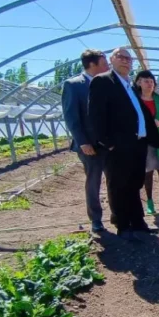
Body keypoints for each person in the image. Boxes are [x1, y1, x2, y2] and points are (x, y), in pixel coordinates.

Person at [88, 48, 159, 241]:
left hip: (137, 144)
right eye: (120, 57)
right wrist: (108, 143)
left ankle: (138, 222)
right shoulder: (103, 81)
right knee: (118, 185)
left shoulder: (129, 86)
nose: (126, 61)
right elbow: (96, 115)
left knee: (134, 184)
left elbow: (139, 113)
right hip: (118, 146)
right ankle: (123, 225)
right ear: (111, 60)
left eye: (129, 58)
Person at [61, 49, 110, 233]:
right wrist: (83, 142)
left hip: (109, 144)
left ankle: (118, 215)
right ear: (93, 65)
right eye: (104, 63)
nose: (108, 67)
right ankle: (96, 220)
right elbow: (71, 117)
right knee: (94, 181)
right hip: (90, 145)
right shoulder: (73, 85)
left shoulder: (106, 84)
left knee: (114, 181)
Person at [133, 69, 159, 214]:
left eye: (151, 82)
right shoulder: (135, 99)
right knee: (147, 173)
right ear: (139, 82)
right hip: (144, 142)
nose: (150, 84)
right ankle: (150, 202)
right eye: (146, 81)